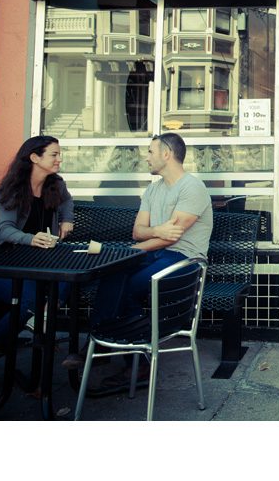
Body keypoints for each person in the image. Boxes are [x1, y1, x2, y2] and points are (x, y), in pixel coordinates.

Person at [78, 132, 213, 390]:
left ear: (166, 154)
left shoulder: (192, 188)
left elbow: (171, 239)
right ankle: (108, 347)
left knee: (128, 287)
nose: (146, 157)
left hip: (186, 261)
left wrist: (140, 246)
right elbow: (138, 231)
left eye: (150, 152)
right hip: (155, 253)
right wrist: (155, 233)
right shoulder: (153, 188)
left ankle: (109, 350)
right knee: (112, 272)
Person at [0, 136, 74, 393]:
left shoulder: (55, 185)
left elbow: (67, 202)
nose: (59, 159)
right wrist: (32, 238)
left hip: (29, 261)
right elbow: (5, 230)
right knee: (31, 302)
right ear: (34, 158)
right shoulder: (11, 190)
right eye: (54, 154)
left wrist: (66, 219)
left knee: (65, 278)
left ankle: (41, 321)